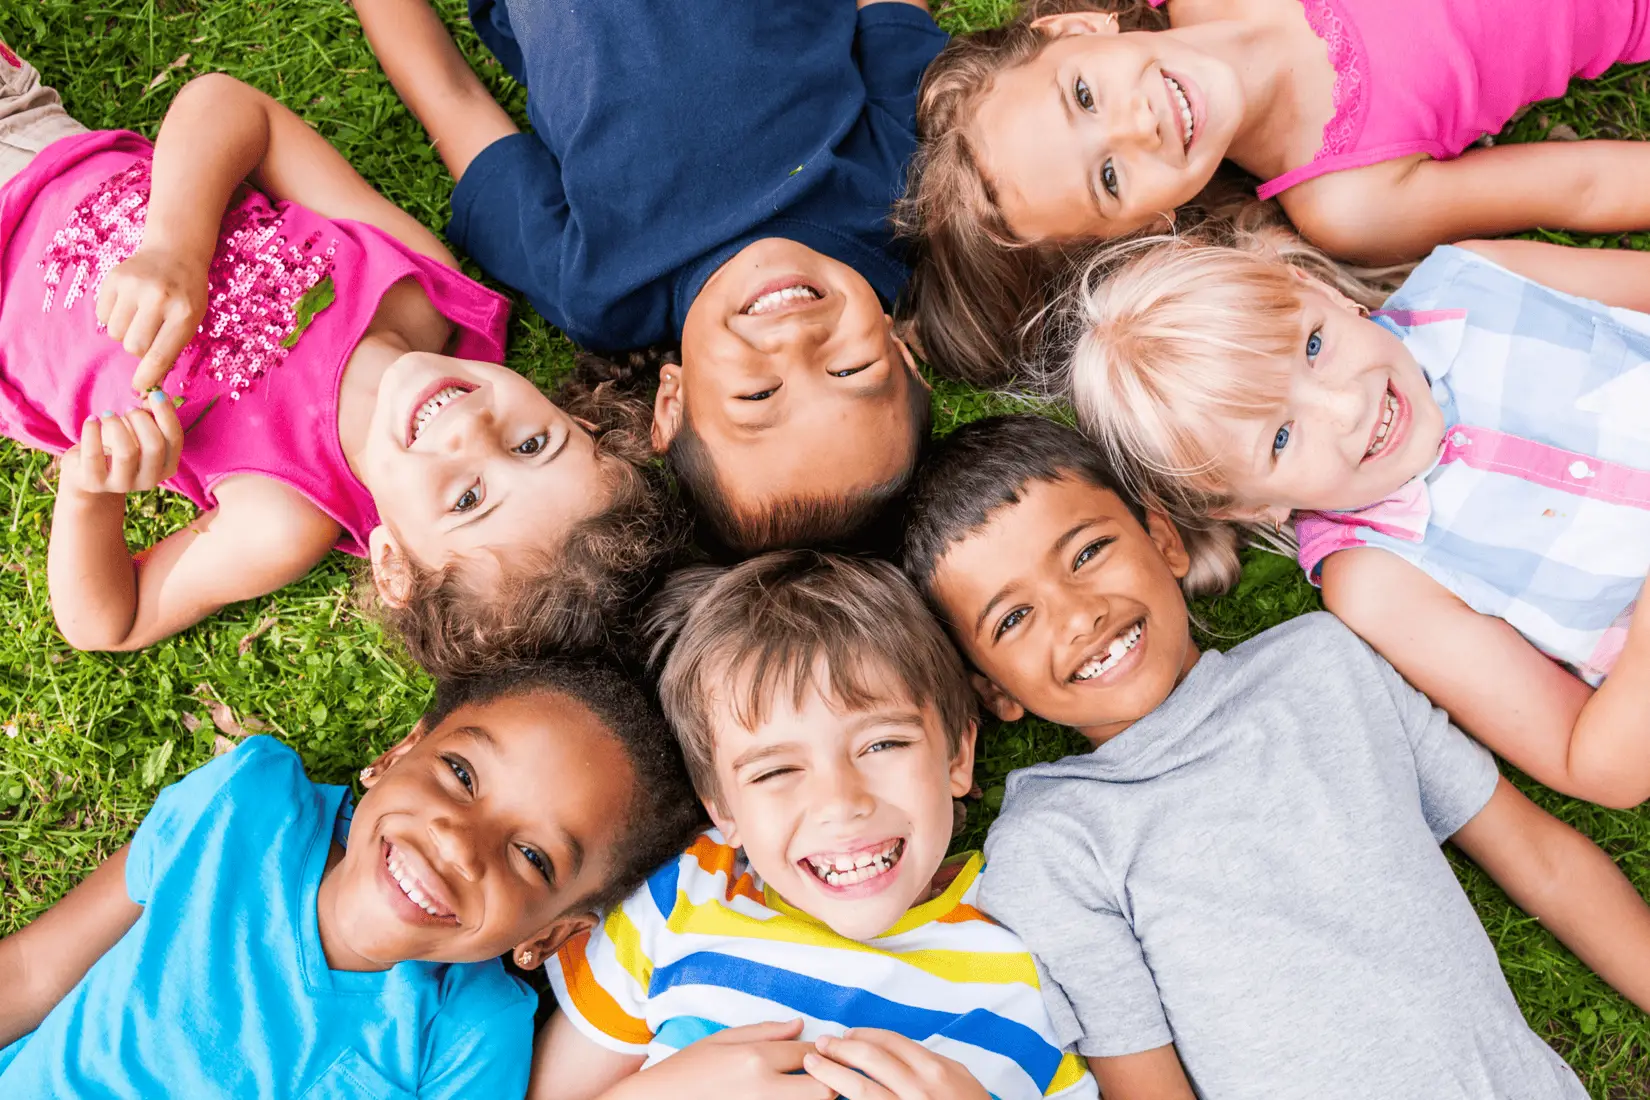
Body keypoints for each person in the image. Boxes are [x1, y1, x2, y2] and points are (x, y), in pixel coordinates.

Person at [899, 413, 1650, 1099]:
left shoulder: (1327, 665)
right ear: (993, 691)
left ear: (1163, 540)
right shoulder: (1054, 844)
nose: (1079, 614)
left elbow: (1541, 862)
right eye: (1015, 618)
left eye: (1088, 552)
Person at [0, 49, 677, 671]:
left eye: (468, 498)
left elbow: (110, 620)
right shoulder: (419, 290)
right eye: (533, 444)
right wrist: (176, 243)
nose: (473, 434)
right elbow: (232, 107)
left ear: (395, 568)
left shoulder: (283, 517)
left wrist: (91, 493)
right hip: (31, 143)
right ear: (578, 419)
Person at [1049, 229, 1650, 811]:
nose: (1347, 406)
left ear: (1319, 289)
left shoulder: (1475, 280)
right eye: (1281, 438)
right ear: (1245, 506)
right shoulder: (1378, 576)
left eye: (1312, 345)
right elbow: (1597, 765)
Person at [354, 0, 945, 554]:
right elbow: (892, 16)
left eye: (758, 394)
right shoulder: (898, 197)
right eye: (851, 369)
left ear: (674, 402)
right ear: (901, 351)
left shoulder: (600, 293)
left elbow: (451, 101)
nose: (796, 342)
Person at [527, 551, 1095, 1100]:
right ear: (725, 811)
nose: (839, 803)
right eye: (776, 770)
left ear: (956, 758)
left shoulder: (1034, 957)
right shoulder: (681, 898)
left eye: (882, 744)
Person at [0, 659, 703, 1097]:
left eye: (533, 858)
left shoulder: (471, 1032)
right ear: (400, 751)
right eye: (460, 774)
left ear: (548, 937)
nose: (461, 844)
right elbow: (31, 972)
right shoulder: (247, 808)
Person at [899, 0, 1650, 386]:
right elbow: (1581, 187)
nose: (1138, 125)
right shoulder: (1347, 200)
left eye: (1085, 95)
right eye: (1109, 178)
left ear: (1076, 29)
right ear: (1150, 222)